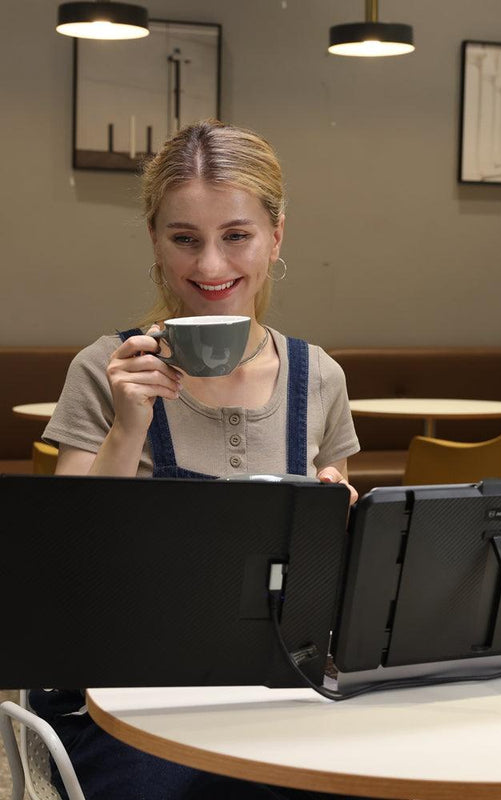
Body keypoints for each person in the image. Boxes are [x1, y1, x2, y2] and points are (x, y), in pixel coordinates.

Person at [31, 119, 361, 800]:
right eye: (185, 240)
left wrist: (341, 526)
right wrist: (129, 426)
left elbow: (324, 587)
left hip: (273, 684)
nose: (210, 267)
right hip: (122, 691)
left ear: (276, 238)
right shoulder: (104, 370)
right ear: (156, 242)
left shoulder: (318, 376)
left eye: (235, 236)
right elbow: (68, 571)